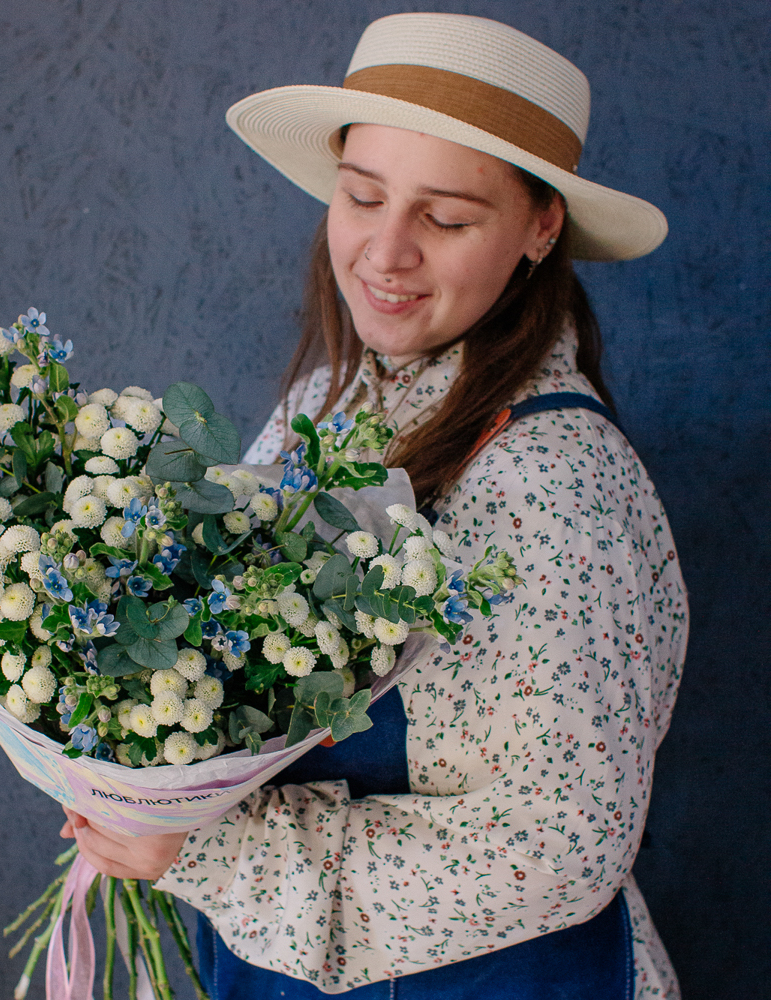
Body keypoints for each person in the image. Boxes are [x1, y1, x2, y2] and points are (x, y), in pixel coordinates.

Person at [60, 13, 687, 999]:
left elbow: (556, 845)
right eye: (362, 197)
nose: (384, 252)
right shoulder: (327, 402)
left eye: (444, 218)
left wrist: (204, 851)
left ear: (540, 227)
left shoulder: (554, 482)